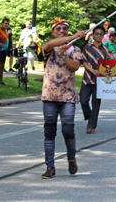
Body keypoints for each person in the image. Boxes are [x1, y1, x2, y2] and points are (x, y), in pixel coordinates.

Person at [40, 17, 85, 179]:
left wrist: (64, 55)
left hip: (68, 96)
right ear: (52, 32)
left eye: (64, 28)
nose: (61, 31)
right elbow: (50, 45)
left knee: (68, 129)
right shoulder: (48, 46)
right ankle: (50, 167)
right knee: (49, 132)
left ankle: (71, 158)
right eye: (57, 29)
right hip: (50, 96)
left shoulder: (75, 50)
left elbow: (75, 67)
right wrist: (73, 36)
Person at [80, 25, 110, 134]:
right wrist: (92, 71)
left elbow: (109, 63)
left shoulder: (106, 49)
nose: (98, 36)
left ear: (103, 35)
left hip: (100, 81)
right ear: (93, 35)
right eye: (96, 33)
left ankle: (91, 126)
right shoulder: (87, 48)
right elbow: (83, 61)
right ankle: (90, 116)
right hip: (87, 78)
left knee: (96, 103)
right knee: (83, 101)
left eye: (101, 34)